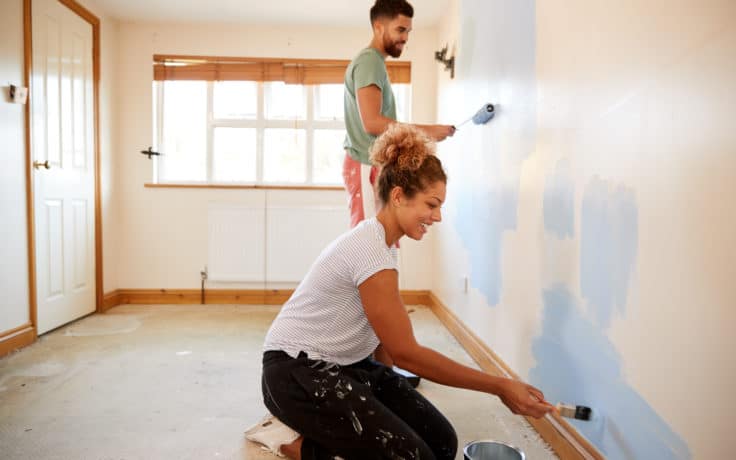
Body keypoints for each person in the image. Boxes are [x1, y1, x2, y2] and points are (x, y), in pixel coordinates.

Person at [246, 124, 554, 459]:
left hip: (347, 364)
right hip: (295, 373)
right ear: (398, 196)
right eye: (431, 204)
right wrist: (500, 386)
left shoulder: (386, 245)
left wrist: (384, 402)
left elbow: (383, 340)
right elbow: (406, 353)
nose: (437, 217)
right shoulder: (369, 249)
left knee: (441, 443)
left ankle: (332, 436)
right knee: (411, 457)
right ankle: (289, 438)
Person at [343, 0, 456, 389]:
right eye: (401, 30)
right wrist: (428, 130)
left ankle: (384, 361)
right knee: (372, 255)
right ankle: (380, 365)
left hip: (370, 167)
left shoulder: (375, 64)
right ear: (380, 27)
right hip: (363, 165)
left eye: (408, 31)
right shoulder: (370, 61)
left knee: (382, 252)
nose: (405, 38)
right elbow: (372, 122)